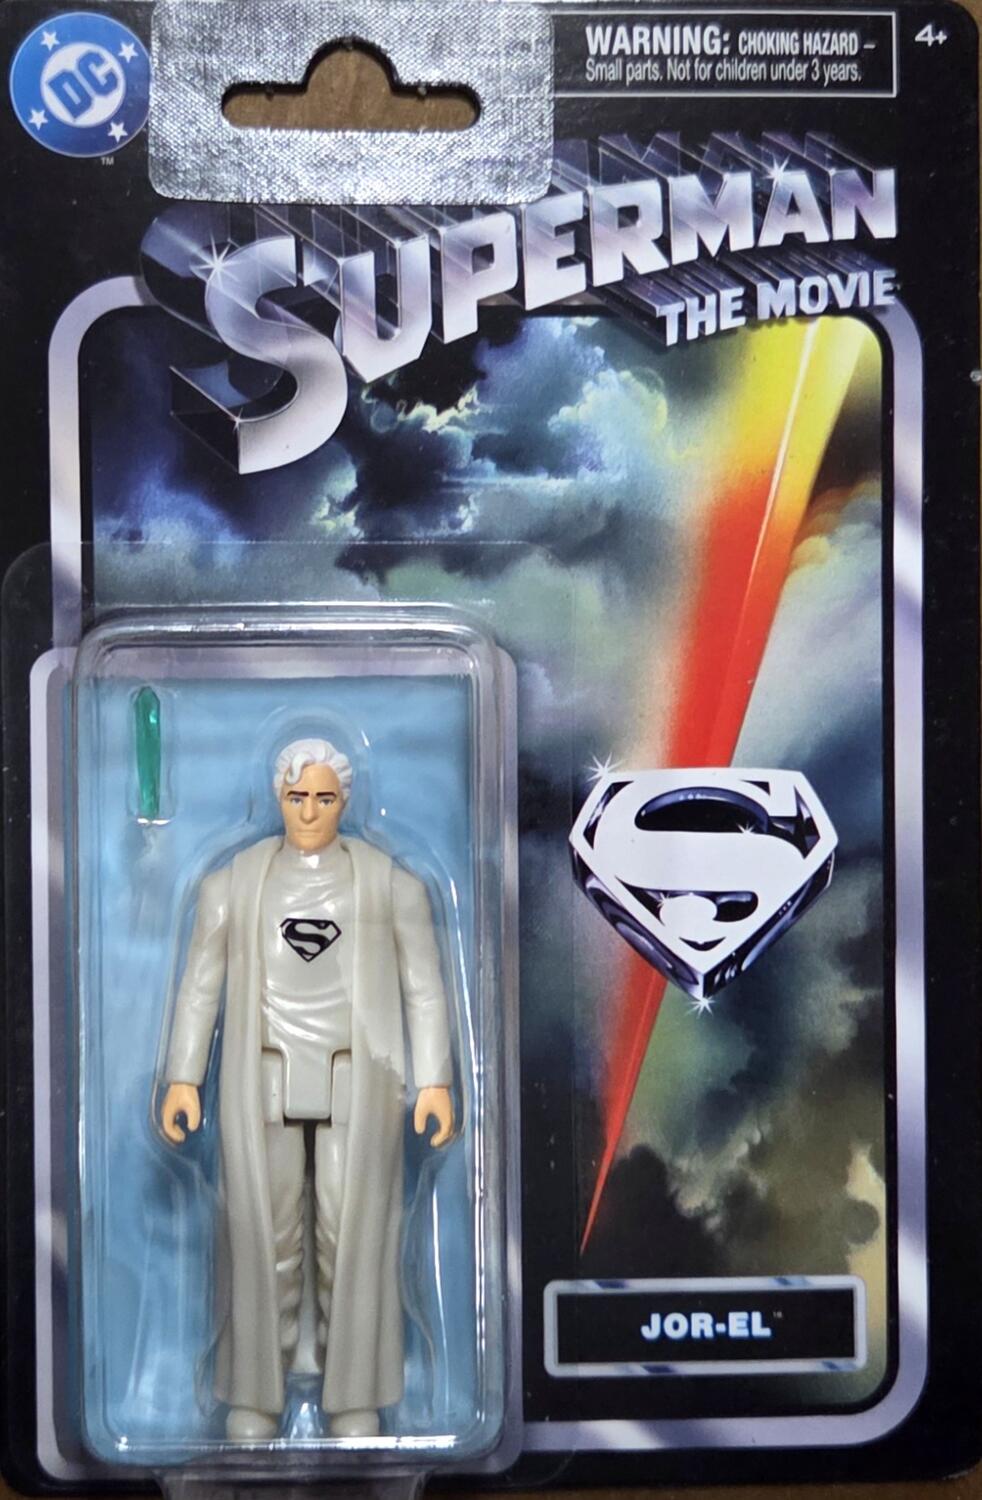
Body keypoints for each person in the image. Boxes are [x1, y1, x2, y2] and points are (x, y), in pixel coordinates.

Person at [159, 737, 454, 1441]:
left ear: (345, 799)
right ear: (278, 796)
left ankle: (356, 1398)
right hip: (261, 1080)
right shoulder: (233, 885)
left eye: (324, 797)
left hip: (361, 1083)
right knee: (263, 1235)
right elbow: (199, 987)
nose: (310, 812)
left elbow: (424, 990)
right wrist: (182, 1077)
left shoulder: (391, 886)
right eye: (298, 797)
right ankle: (254, 1395)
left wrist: (435, 1082)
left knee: (353, 1237)